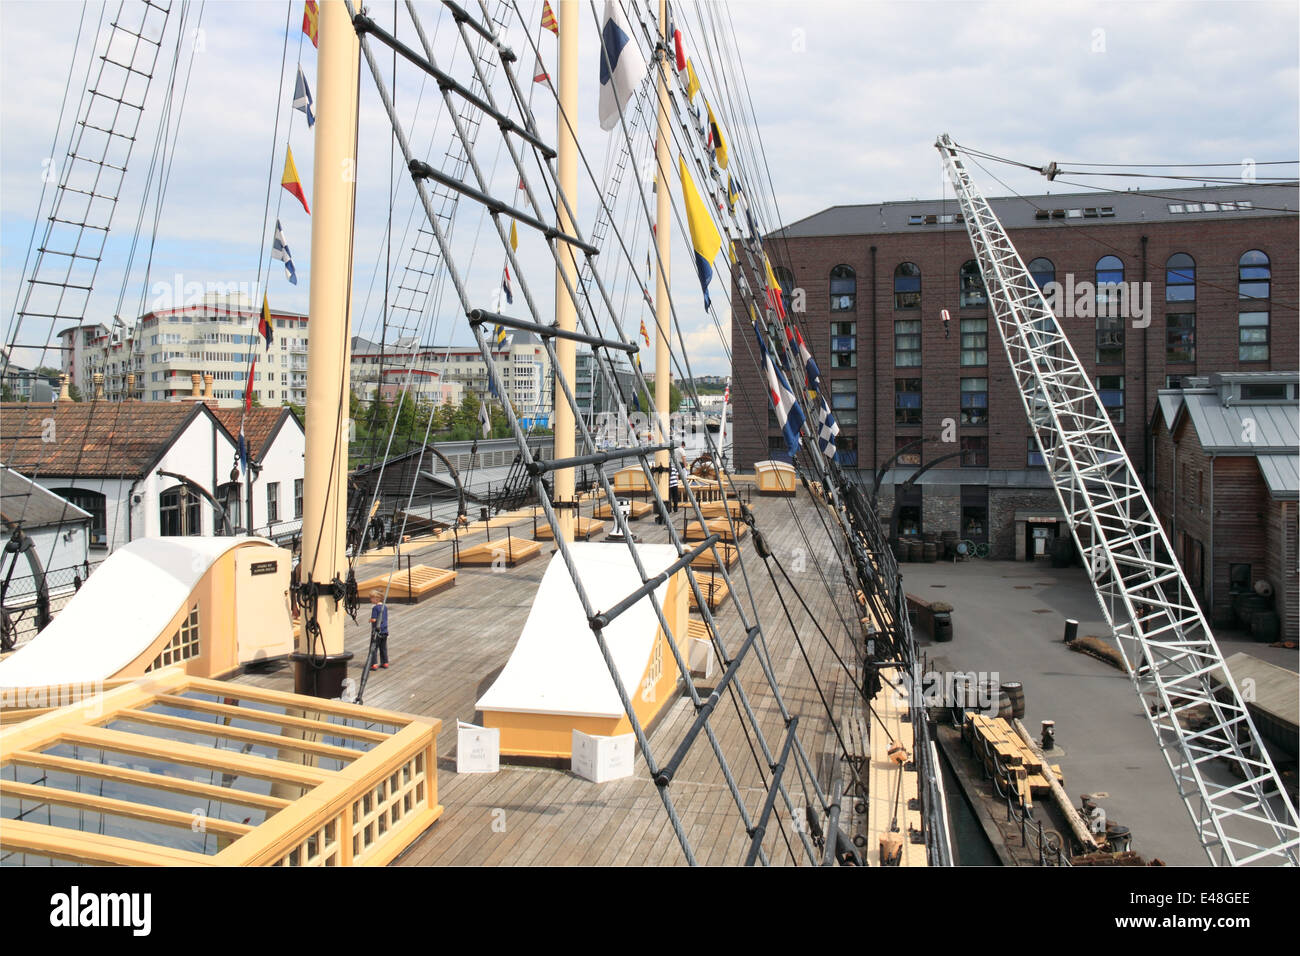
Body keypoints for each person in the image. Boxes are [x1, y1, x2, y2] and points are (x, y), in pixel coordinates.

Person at [369, 590, 390, 670]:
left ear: (376, 599)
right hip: (384, 631)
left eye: (371, 598)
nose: (370, 600)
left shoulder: (375, 608)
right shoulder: (385, 607)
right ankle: (385, 662)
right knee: (383, 647)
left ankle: (374, 663)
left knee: (373, 648)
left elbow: (374, 619)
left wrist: (370, 620)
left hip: (377, 631)